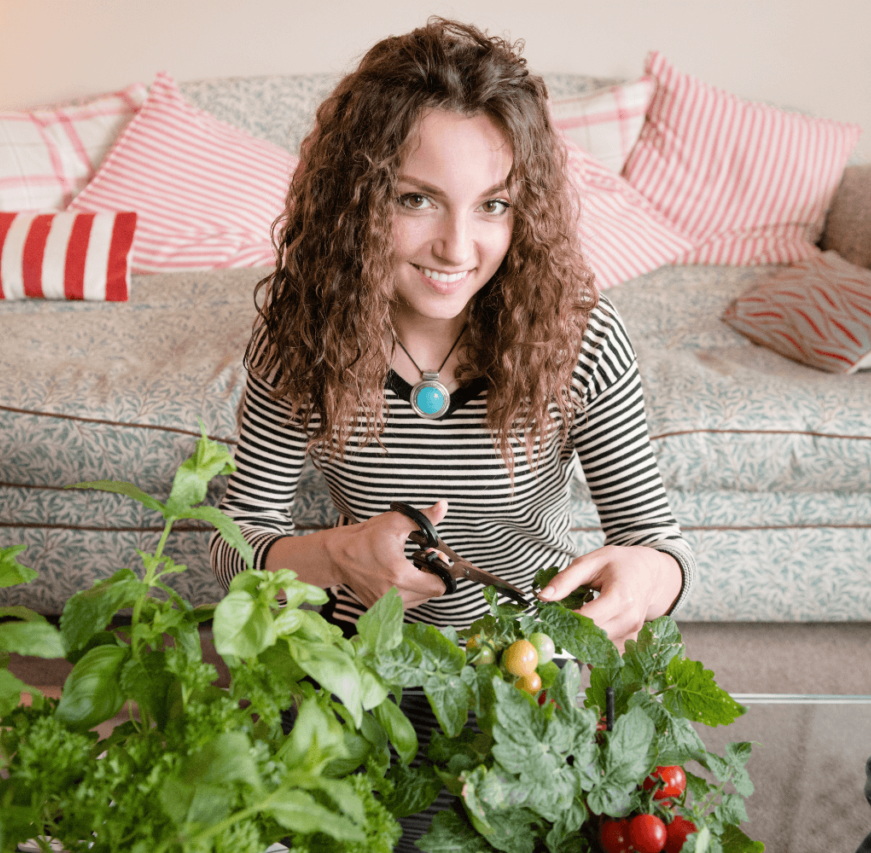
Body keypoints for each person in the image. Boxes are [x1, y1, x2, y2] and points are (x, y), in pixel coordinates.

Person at [209, 17, 695, 849]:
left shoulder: (580, 335)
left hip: (527, 698)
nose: (458, 248)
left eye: (494, 206)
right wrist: (331, 555)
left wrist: (645, 582)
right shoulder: (303, 330)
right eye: (415, 198)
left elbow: (658, 543)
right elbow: (228, 541)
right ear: (355, 199)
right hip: (357, 694)